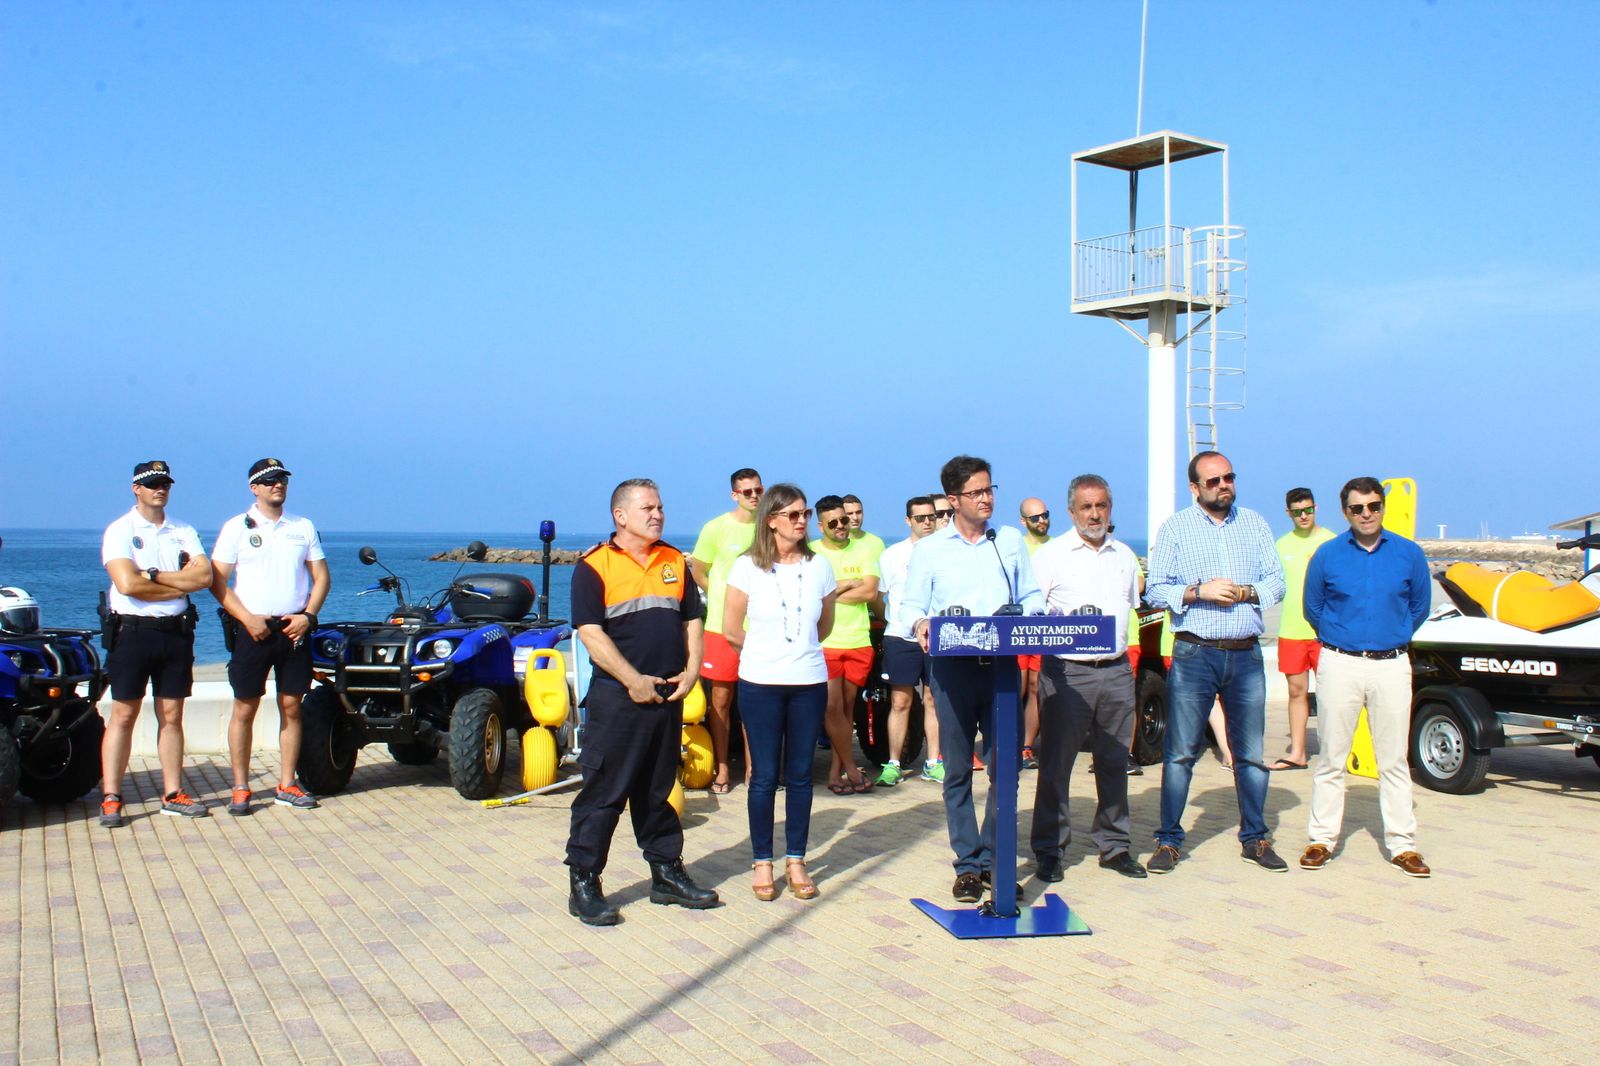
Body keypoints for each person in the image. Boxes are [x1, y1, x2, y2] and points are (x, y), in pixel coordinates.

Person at [564, 478, 719, 925]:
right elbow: (591, 635)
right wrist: (632, 680)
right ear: (621, 515)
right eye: (648, 507)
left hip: (669, 693)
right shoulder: (593, 567)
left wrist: (692, 671)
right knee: (604, 792)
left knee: (659, 790)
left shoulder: (674, 560)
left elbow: (693, 619)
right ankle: (584, 882)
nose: (658, 514)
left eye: (661, 507)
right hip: (619, 698)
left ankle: (666, 875)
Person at [900, 456, 1043, 903]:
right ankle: (967, 864)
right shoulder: (931, 550)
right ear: (953, 499)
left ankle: (995, 865)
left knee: (1006, 771)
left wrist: (1029, 614)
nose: (986, 499)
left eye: (990, 489)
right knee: (958, 771)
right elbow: (909, 608)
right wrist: (922, 625)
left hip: (1003, 669)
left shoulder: (1010, 541)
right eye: (976, 492)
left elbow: (1032, 596)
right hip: (953, 671)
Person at [1145, 451, 1286, 875]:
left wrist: (1244, 593)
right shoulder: (1176, 528)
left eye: (1228, 477)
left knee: (1251, 754)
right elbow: (1155, 589)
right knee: (1181, 753)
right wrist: (1198, 592)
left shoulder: (1255, 523)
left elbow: (1276, 582)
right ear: (1195, 488)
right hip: (1195, 651)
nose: (1224, 485)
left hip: (1245, 652)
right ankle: (1168, 841)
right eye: (1213, 481)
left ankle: (1255, 838)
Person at [1300, 477, 1433, 877]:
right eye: (1358, 508)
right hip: (1340, 663)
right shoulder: (1327, 555)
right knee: (1332, 757)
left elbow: (1419, 607)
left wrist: (1392, 636)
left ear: (1382, 507)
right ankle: (1321, 839)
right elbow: (1313, 608)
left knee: (1393, 759)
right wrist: (1344, 639)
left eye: (1373, 506)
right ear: (1345, 512)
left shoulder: (1409, 555)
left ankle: (1403, 845)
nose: (1366, 515)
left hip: (1391, 664)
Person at [1029, 475, 1147, 880]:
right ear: (1071, 512)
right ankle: (1049, 849)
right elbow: (1032, 613)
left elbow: (1133, 605)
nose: (1094, 514)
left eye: (1101, 506)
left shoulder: (1124, 556)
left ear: (1110, 509)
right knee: (1056, 767)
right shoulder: (1051, 556)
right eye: (1086, 507)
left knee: (1114, 762)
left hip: (1115, 671)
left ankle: (1115, 845)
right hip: (1067, 674)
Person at [722, 484, 836, 901]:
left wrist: (796, 649)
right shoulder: (747, 567)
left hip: (808, 681)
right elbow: (732, 628)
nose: (802, 521)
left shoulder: (820, 566)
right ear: (770, 519)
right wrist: (766, 654)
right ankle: (762, 862)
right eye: (793, 514)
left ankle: (796, 859)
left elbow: (824, 626)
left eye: (805, 513)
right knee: (764, 777)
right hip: (760, 682)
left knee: (802, 776)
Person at [210, 459, 330, 816]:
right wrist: (246, 618)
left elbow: (321, 577)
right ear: (254, 487)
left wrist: (308, 616)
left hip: (293, 629)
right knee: (244, 707)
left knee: (292, 706)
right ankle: (241, 787)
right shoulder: (235, 527)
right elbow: (217, 581)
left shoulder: (302, 526)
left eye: (282, 479)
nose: (277, 485)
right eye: (269, 480)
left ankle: (287, 782)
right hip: (252, 629)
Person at [98, 461, 213, 826]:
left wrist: (153, 576)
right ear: (136, 488)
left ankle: (173, 792)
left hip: (175, 633)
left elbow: (205, 577)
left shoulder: (182, 530)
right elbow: (128, 585)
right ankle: (112, 795)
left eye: (163, 483)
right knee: (124, 714)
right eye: (151, 484)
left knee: (172, 716)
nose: (158, 489)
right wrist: (179, 582)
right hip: (132, 632)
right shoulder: (120, 530)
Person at [689, 468, 763, 795]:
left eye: (758, 490)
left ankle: (753, 767)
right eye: (746, 491)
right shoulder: (716, 528)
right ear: (734, 494)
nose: (753, 496)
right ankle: (721, 767)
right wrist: (724, 599)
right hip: (720, 628)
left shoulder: (769, 526)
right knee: (719, 701)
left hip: (760, 630)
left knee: (754, 702)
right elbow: (699, 570)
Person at [810, 495, 881, 794]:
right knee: (831, 708)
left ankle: (836, 772)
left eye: (844, 520)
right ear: (821, 525)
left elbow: (870, 592)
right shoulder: (812, 553)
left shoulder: (865, 548)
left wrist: (833, 590)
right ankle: (851, 770)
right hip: (825, 642)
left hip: (858, 641)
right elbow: (811, 594)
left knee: (847, 710)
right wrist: (845, 586)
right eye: (834, 523)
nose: (842, 526)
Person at [873, 496, 945, 786]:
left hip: (938, 636)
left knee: (933, 700)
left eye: (932, 516)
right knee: (900, 701)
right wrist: (897, 620)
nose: (927, 522)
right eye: (920, 518)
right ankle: (893, 763)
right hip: (901, 637)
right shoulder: (893, 555)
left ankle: (933, 761)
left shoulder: (946, 552)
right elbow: (879, 597)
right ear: (908, 521)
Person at [1271, 487, 1336, 770]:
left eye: (1308, 509)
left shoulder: (1331, 542)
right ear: (1289, 513)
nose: (1303, 516)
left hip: (1325, 632)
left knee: (1334, 693)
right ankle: (1298, 752)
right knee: (1297, 691)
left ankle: (1336, 754)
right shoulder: (1281, 545)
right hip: (1292, 630)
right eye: (1297, 511)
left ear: (1315, 508)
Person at [1017, 497, 1052, 770]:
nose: (1042, 521)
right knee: (1015, 687)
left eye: (1045, 515)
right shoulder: (1016, 547)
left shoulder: (1058, 548)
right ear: (1023, 521)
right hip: (1017, 628)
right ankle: (1007, 741)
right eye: (1035, 517)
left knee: (1035, 688)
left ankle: (1027, 745)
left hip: (1044, 628)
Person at [841, 494, 887, 559]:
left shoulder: (876, 543)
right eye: (849, 513)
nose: (855, 518)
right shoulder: (833, 544)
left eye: (858, 512)